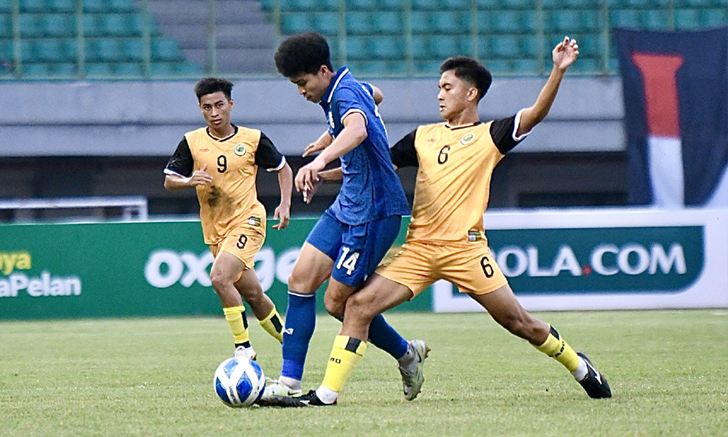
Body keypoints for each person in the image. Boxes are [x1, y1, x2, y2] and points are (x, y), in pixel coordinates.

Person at [265, 37, 612, 407]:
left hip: (466, 249)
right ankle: (326, 395)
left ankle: (579, 367)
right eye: (438, 88)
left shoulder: (489, 136)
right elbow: (378, 165)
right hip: (419, 250)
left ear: (471, 93)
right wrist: (324, 172)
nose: (440, 95)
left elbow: (536, 113)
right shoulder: (422, 136)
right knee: (357, 306)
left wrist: (558, 71)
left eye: (447, 88)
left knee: (520, 323)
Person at [262, 32, 428, 401]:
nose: (301, 92)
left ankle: (406, 354)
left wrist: (320, 159)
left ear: (323, 71)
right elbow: (377, 96)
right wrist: (328, 135)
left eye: (303, 83)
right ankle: (289, 383)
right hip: (348, 204)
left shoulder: (346, 94)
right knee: (300, 279)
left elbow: (358, 128)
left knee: (338, 303)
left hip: (375, 211)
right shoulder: (345, 89)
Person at [163, 77, 292, 360]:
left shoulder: (253, 139)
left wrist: (284, 204)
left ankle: (243, 348)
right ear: (200, 109)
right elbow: (169, 181)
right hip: (216, 230)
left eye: (219, 105)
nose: (214, 113)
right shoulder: (192, 142)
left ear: (230, 104)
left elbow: (284, 168)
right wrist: (188, 180)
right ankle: (292, 344)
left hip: (249, 220)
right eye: (207, 107)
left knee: (220, 278)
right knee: (255, 295)